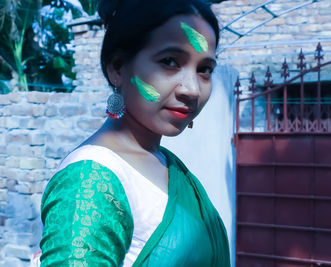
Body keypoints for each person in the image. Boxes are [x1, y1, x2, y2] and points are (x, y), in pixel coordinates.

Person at [38, 0, 230, 266]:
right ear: (117, 67)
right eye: (170, 61)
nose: (192, 89)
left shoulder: (166, 163)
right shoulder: (91, 178)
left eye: (204, 69)